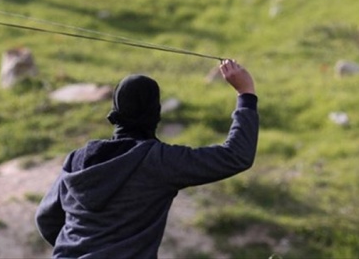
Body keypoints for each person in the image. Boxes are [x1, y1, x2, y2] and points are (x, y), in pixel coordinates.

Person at [36, 60, 259, 258]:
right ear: (156, 113)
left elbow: (46, 218)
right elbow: (236, 155)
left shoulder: (77, 160)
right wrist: (246, 94)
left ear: (115, 111)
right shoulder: (159, 161)